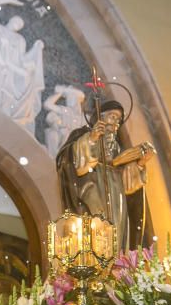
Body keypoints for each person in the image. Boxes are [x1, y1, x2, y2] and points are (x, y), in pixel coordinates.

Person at [56, 99, 155, 251]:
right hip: (91, 191)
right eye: (112, 116)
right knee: (97, 234)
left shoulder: (116, 147)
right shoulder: (81, 134)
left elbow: (128, 187)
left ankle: (116, 264)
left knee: (117, 233)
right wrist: (91, 139)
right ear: (100, 117)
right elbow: (69, 163)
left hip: (116, 198)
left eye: (118, 119)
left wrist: (140, 164)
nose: (116, 122)